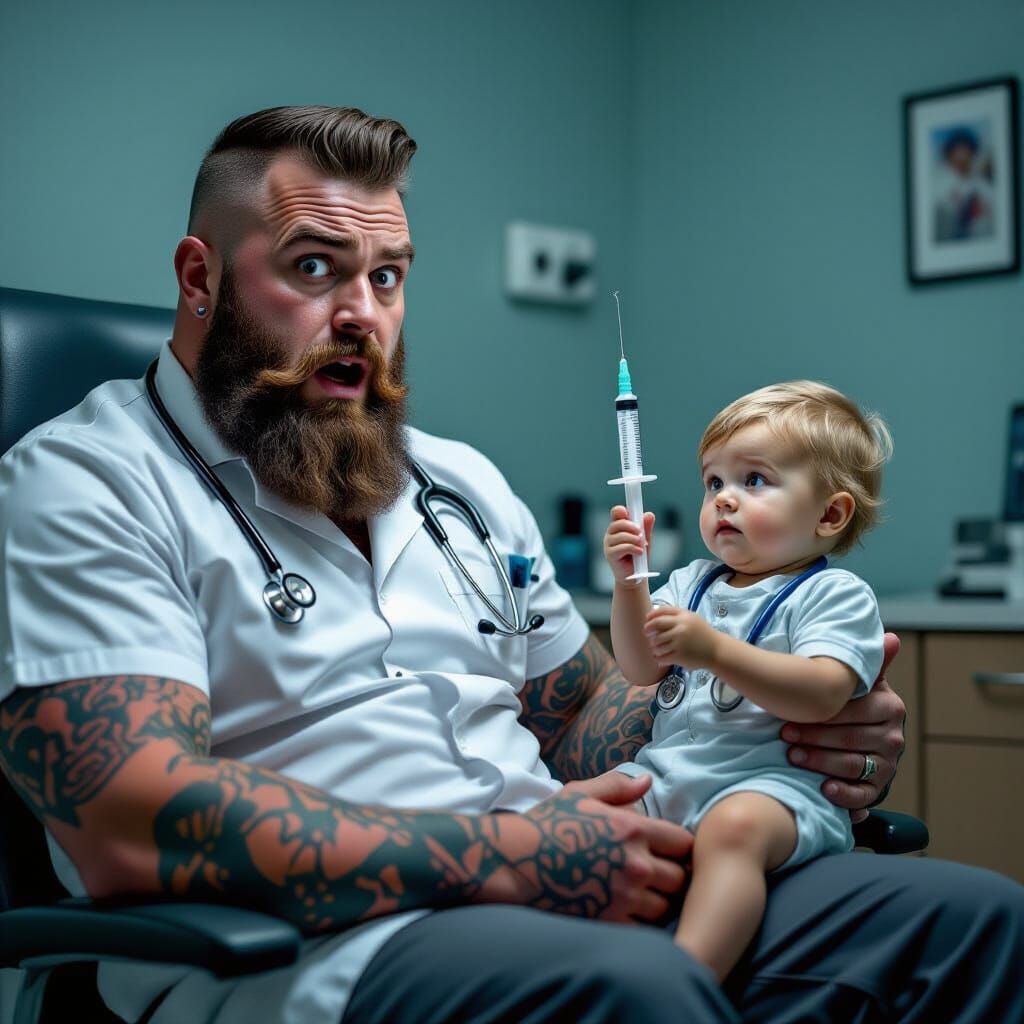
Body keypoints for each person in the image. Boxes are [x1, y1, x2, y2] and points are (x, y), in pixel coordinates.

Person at [0, 106, 1020, 1024]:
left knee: (973, 921)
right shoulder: (86, 482)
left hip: (584, 884)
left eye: (387, 275)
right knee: (633, 992)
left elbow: (578, 723)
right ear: (200, 278)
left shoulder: (457, 484)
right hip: (321, 952)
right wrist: (505, 858)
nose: (363, 312)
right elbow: (131, 821)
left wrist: (784, 724)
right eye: (313, 267)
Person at [604, 381, 889, 981]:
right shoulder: (692, 583)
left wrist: (716, 651)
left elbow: (822, 692)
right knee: (591, 800)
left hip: (773, 790)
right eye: (714, 483)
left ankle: (683, 983)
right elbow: (638, 666)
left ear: (830, 514)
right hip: (670, 775)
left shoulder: (831, 595)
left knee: (733, 829)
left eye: (753, 480)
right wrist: (629, 583)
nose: (724, 500)